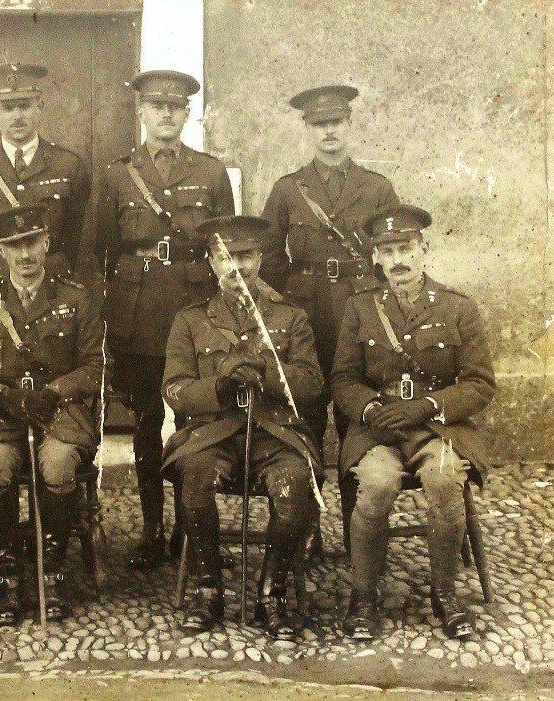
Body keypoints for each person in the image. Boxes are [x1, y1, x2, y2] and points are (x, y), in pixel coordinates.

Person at [331, 205, 496, 640]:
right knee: (378, 484)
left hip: (436, 428)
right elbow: (343, 379)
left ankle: (445, 594)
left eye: (406, 248)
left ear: (424, 250)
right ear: (377, 259)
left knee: (444, 481)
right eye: (388, 251)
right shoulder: (360, 307)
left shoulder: (458, 307)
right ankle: (363, 598)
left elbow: (480, 384)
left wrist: (427, 405)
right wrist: (369, 409)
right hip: (377, 428)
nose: (398, 260)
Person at [162, 215, 322, 638]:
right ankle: (209, 590)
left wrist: (267, 371)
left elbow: (310, 385)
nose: (238, 267)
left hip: (275, 431)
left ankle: (272, 593)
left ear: (262, 258)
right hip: (213, 431)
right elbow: (174, 389)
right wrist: (219, 384)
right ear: (212, 263)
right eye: (226, 257)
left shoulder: (292, 317)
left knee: (293, 485)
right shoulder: (190, 320)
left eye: (246, 256)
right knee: (194, 476)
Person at [0, 205, 106, 624]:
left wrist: (55, 392)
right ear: (0, 250)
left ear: (47, 244)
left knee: (56, 465)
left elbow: (95, 367)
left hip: (60, 411)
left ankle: (49, 571)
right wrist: (1, 396)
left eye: (32, 243)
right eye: (15, 246)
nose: (25, 255)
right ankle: (6, 574)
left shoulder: (76, 298)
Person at [101, 70, 235, 568]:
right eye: (155, 106)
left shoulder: (210, 172)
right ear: (140, 111)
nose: (165, 114)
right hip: (136, 314)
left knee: (193, 420)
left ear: (186, 114)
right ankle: (151, 531)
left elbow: (226, 249)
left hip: (191, 309)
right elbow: (99, 248)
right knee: (144, 422)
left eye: (174, 107)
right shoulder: (118, 173)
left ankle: (187, 525)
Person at [260, 85, 400, 453]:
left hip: (361, 304)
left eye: (336, 121)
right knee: (307, 402)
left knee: (357, 401)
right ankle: (305, 501)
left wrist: (376, 293)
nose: (329, 131)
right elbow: (267, 251)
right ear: (307, 129)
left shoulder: (376, 188)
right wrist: (291, 291)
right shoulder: (289, 189)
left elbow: (392, 249)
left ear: (349, 123)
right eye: (319, 124)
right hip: (307, 307)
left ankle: (355, 502)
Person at [0, 62, 91, 315]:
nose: (17, 116)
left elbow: (78, 237)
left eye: (24, 106)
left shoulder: (67, 165)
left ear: (40, 106)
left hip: (51, 283)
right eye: (7, 107)